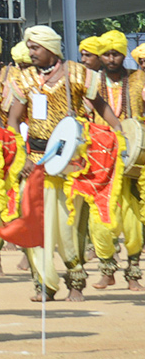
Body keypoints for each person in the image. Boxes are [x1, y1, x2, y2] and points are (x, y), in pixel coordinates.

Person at [6, 25, 117, 301]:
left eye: (36, 48)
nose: (31, 52)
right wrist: (21, 155)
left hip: (72, 160)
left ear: (51, 49)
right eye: (29, 47)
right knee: (33, 221)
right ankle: (44, 284)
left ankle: (76, 283)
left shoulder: (78, 74)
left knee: (68, 225)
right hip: (35, 160)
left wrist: (120, 133)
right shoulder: (24, 79)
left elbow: (102, 107)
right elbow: (12, 120)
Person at [87, 31, 143, 291]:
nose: (111, 58)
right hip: (100, 157)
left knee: (132, 219)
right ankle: (107, 269)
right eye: (106, 54)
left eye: (116, 53)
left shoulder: (138, 79)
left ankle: (133, 274)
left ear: (123, 54)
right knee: (99, 217)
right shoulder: (89, 82)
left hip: (133, 157)